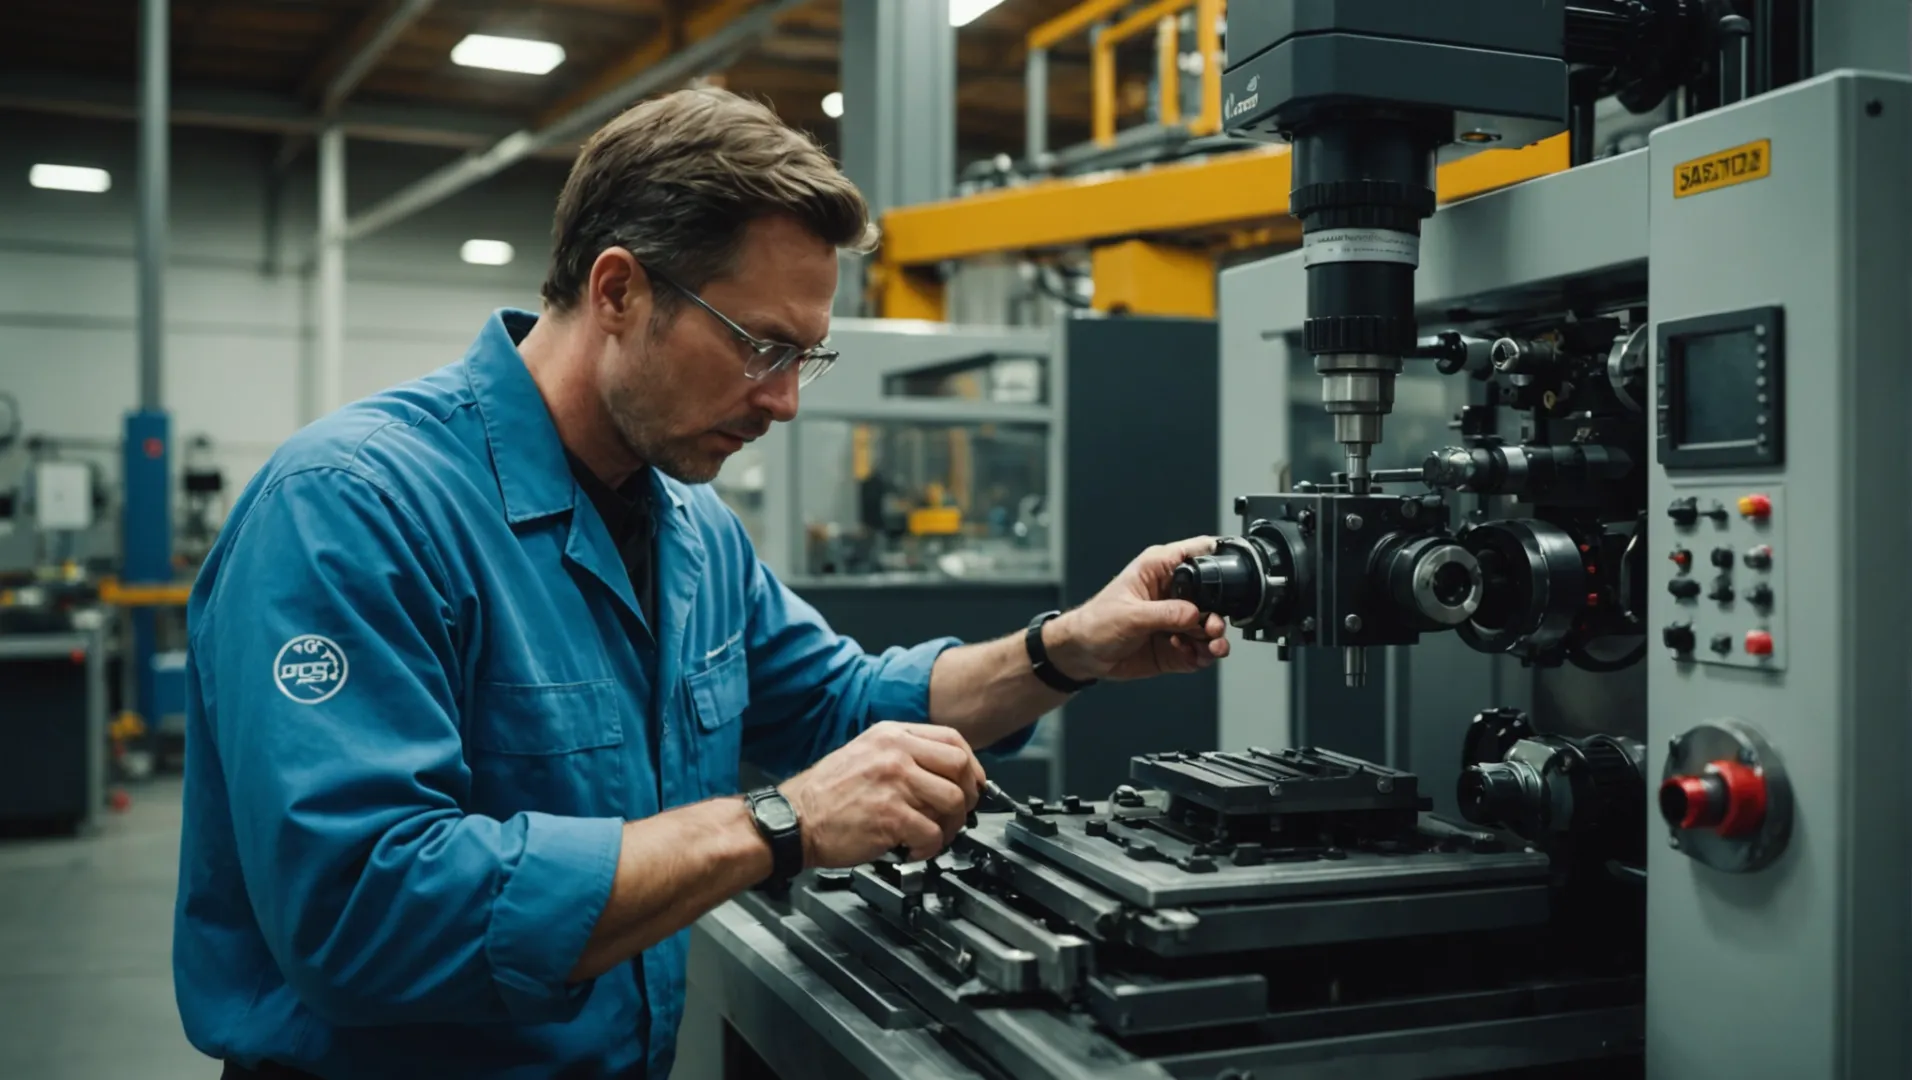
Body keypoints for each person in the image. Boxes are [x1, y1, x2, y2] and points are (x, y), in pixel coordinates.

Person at [173, 87, 1229, 1080]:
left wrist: (1062, 650)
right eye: (760, 347)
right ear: (619, 290)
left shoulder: (689, 528)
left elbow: (840, 705)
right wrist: (775, 826)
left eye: (803, 358)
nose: (782, 403)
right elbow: (366, 913)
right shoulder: (353, 508)